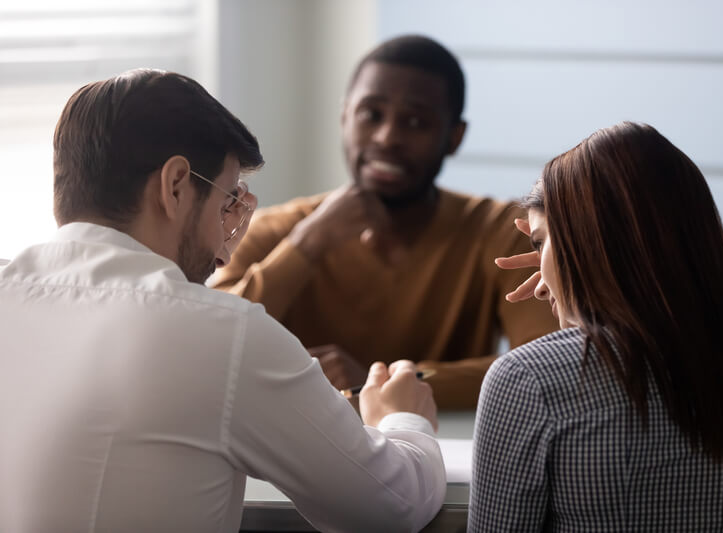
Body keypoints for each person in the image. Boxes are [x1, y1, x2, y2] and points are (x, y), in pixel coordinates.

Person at [0, 69, 446, 533]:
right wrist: (403, 419)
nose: (222, 243)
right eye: (226, 201)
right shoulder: (219, 334)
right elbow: (389, 508)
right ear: (175, 186)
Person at [469, 122, 723, 532]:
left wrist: (572, 293)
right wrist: (571, 282)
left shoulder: (529, 380)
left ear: (581, 243)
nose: (538, 265)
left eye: (539, 243)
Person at [213, 35, 558, 409]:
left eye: (416, 122)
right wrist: (305, 248)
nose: (388, 137)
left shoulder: (503, 230)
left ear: (454, 138)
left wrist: (379, 383)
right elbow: (207, 342)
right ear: (345, 117)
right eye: (371, 115)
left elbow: (544, 363)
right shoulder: (276, 231)